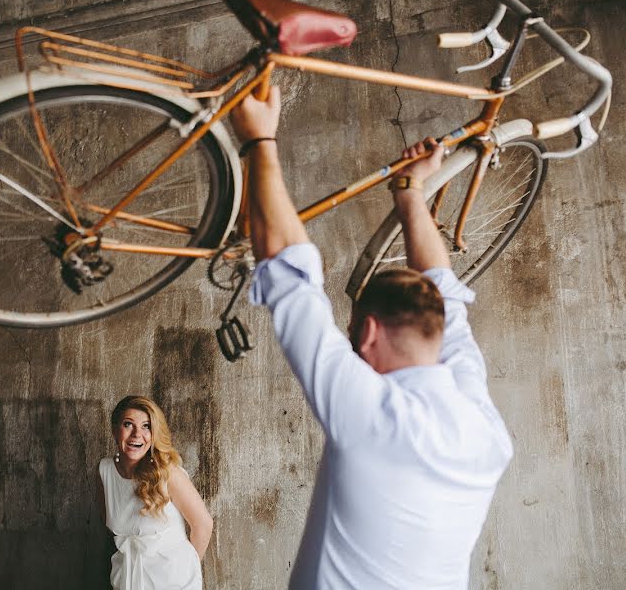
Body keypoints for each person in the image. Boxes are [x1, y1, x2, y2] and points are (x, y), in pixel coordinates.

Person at [230, 86, 514, 589]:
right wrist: (410, 193)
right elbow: (442, 289)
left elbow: (291, 273)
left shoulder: (373, 417)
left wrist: (260, 139)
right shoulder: (484, 427)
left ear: (369, 332)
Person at [97, 395, 213, 590]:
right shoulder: (104, 471)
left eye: (146, 426)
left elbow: (203, 525)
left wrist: (184, 569)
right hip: (126, 580)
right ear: (115, 430)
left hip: (173, 583)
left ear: (154, 434)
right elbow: (108, 527)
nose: (137, 434)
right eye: (128, 424)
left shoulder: (169, 473)